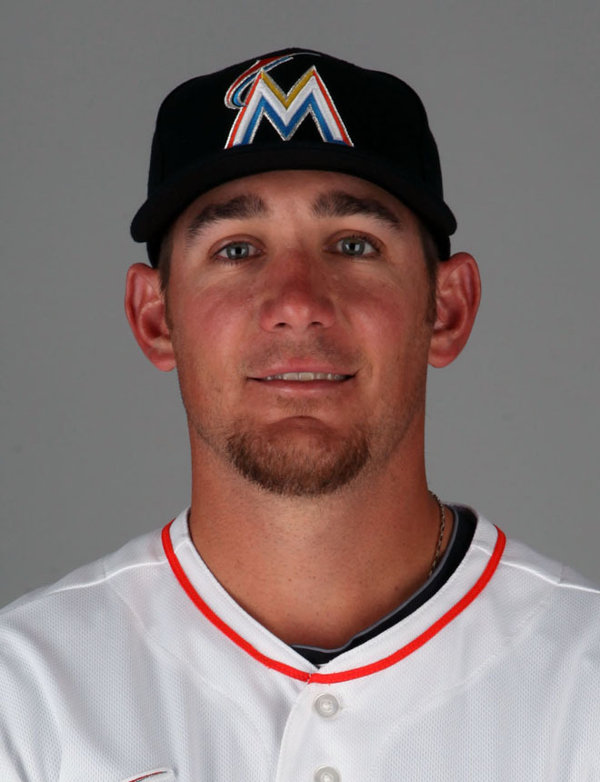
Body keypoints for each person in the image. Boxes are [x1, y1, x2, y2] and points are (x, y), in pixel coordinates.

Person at [1, 47, 598, 781]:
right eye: (237, 249)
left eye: (353, 244)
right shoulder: (25, 697)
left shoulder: (585, 682)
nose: (296, 302)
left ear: (446, 309)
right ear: (155, 319)